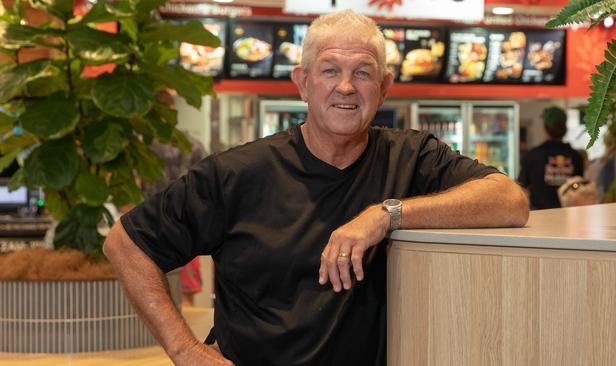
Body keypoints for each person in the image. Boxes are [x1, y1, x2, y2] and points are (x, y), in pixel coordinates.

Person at [103, 10, 529, 366]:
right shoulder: (238, 173)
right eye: (330, 71)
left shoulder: (411, 157)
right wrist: (185, 350)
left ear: (383, 88)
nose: (346, 87)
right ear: (303, 83)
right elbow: (125, 244)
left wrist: (386, 214)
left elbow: (509, 201)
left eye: (363, 72)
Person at [144, 135, 208, 307]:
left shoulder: (143, 146)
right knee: (186, 298)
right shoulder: (193, 144)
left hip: (151, 231)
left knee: (155, 295)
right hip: (188, 231)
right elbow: (207, 189)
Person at [518, 106, 584, 209]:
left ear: (545, 128)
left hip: (540, 219)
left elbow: (521, 188)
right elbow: (580, 190)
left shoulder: (532, 156)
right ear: (565, 128)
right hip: (570, 219)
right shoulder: (576, 157)